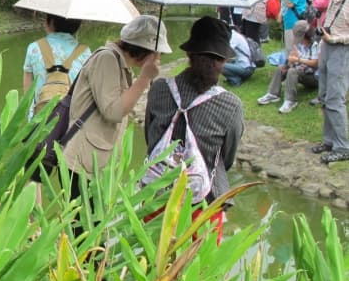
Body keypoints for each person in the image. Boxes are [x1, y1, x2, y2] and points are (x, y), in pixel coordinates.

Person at [145, 16, 244, 243]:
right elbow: (226, 158)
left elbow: (151, 140)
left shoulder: (159, 89)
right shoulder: (231, 105)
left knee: (154, 269)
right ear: (223, 61)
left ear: (189, 54)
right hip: (204, 206)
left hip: (158, 199)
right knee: (198, 274)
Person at [61, 15, 168, 197]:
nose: (159, 57)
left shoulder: (119, 63)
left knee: (93, 221)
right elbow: (113, 111)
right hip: (82, 160)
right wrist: (144, 78)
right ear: (144, 49)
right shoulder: (107, 59)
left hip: (95, 160)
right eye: (158, 53)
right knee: (81, 223)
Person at [312, 0, 349, 164]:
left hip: (341, 51)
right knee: (324, 96)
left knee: (336, 99)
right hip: (327, 47)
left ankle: (343, 147)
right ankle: (329, 141)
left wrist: (336, 39)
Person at [22, 14, 91, 116]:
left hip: (40, 118)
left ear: (51, 22)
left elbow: (27, 89)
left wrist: (29, 114)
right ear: (77, 25)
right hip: (70, 119)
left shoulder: (34, 48)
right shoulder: (85, 52)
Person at [258, 21, 319, 113]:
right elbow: (293, 59)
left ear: (307, 36)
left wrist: (298, 60)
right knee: (281, 68)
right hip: (301, 70)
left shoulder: (315, 44)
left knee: (292, 71)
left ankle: (291, 101)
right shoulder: (299, 44)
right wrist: (289, 63)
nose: (300, 41)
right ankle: (273, 94)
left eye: (301, 38)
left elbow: (315, 63)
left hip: (313, 77)